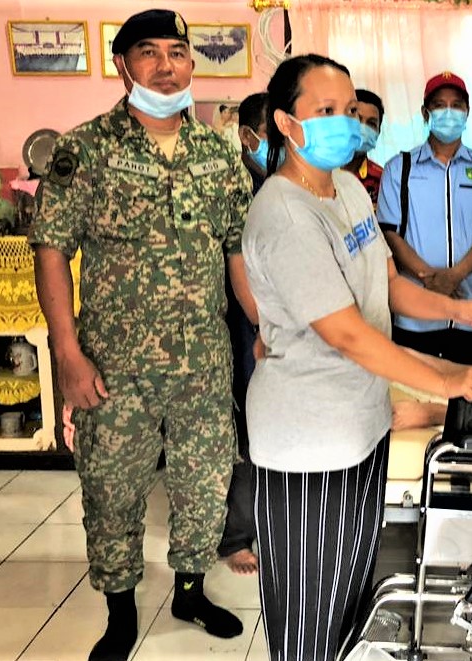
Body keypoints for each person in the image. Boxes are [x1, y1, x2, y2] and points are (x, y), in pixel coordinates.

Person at [242, 54, 472, 661]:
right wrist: (444, 382)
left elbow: (386, 286)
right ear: (286, 122)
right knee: (307, 612)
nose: (345, 122)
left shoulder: (350, 189)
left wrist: (456, 309)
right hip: (308, 442)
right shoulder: (285, 214)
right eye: (325, 110)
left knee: (352, 589)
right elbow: (349, 335)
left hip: (361, 424)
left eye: (350, 110)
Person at [29, 9, 253, 661]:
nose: (165, 66)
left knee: (203, 484)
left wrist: (264, 329)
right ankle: (120, 612)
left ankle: (190, 590)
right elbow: (51, 248)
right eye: (148, 52)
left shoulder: (219, 153)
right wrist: (67, 354)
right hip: (113, 367)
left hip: (202, 364)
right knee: (112, 491)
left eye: (177, 52)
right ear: (122, 65)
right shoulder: (85, 150)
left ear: (191, 62)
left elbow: (237, 252)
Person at [377, 72, 472, 365]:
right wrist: (430, 279)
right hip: (415, 317)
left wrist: (455, 275)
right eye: (439, 105)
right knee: (414, 392)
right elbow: (390, 234)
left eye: (456, 105)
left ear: (467, 112)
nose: (448, 113)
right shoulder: (399, 168)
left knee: (469, 389)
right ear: (425, 113)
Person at [217, 90, 269, 577]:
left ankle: (274, 526)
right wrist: (259, 323)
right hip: (244, 321)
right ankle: (236, 536)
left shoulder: (283, 183)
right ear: (248, 136)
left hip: (280, 320)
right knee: (248, 428)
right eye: (272, 134)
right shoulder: (235, 184)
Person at [343, 88, 384, 205]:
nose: (363, 128)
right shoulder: (319, 171)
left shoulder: (381, 180)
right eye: (357, 120)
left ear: (378, 132)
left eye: (371, 123)